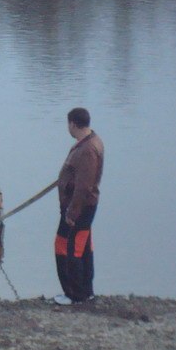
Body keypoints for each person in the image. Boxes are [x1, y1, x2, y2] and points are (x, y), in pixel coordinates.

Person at [54, 107, 104, 305]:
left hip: (79, 208)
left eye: (68, 124)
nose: (68, 128)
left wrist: (72, 213)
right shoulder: (89, 142)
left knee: (71, 248)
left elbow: (84, 186)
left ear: (73, 124)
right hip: (80, 207)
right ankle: (85, 291)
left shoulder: (87, 149)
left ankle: (75, 295)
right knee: (81, 248)